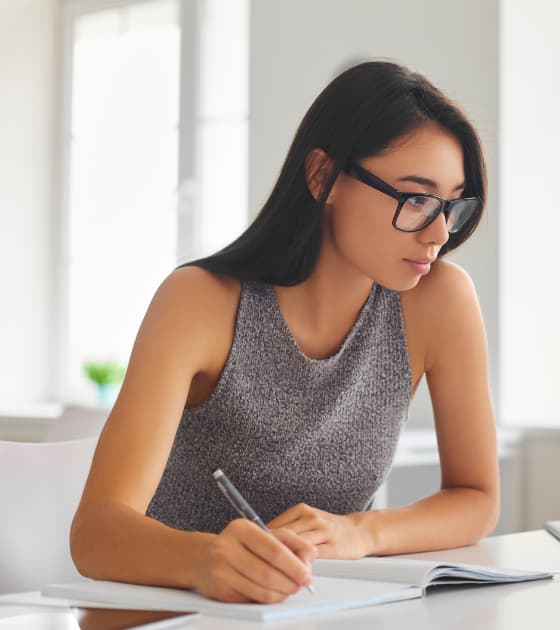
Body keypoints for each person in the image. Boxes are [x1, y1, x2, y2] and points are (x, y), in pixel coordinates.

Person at [69, 61, 499, 604]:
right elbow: (95, 534)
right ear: (323, 177)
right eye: (415, 199)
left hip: (315, 610)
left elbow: (476, 497)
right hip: (170, 614)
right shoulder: (200, 302)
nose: (438, 232)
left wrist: (360, 532)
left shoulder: (440, 300)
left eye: (450, 205)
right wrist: (205, 560)